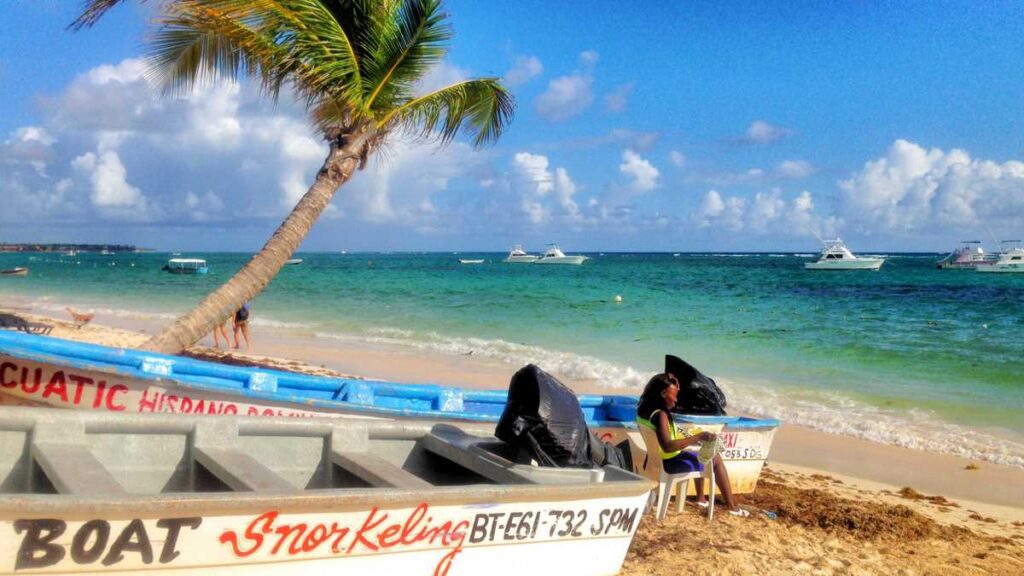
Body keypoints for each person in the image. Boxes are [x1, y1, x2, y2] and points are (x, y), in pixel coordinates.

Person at [637, 372, 749, 516]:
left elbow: (664, 437)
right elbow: (668, 446)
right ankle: (732, 507)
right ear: (663, 393)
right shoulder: (661, 415)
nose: (676, 400)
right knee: (715, 458)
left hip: (655, 459)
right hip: (670, 461)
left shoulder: (644, 409)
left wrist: (694, 438)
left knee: (701, 451)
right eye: (674, 395)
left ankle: (701, 498)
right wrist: (697, 437)